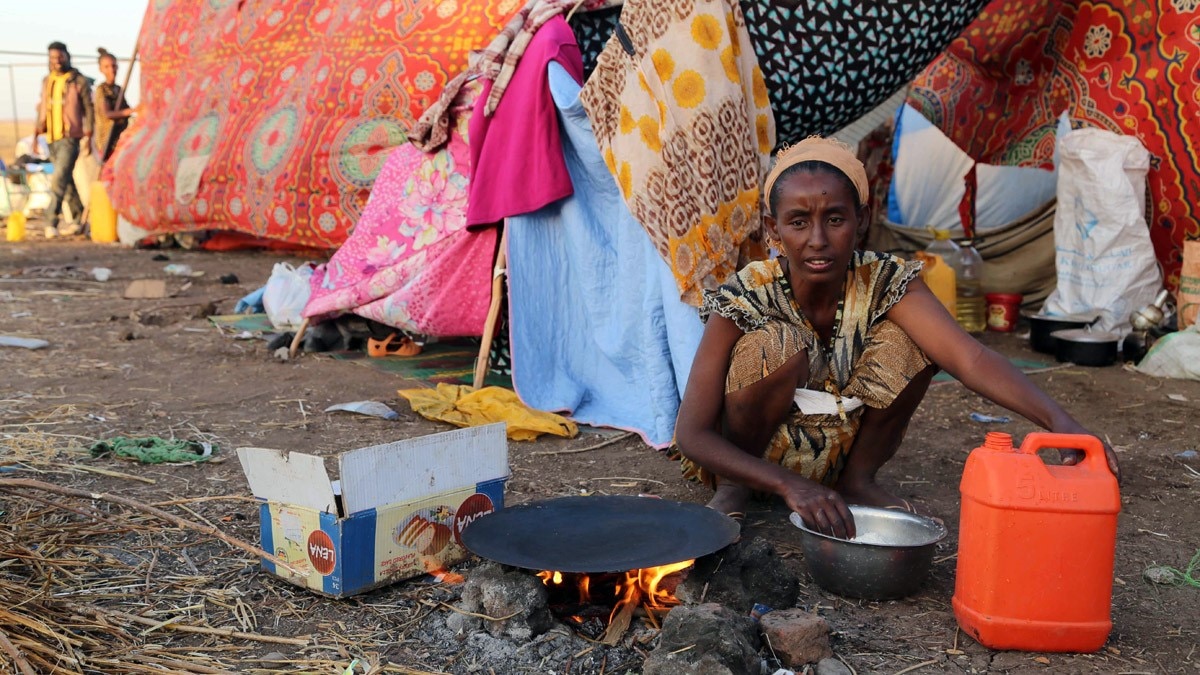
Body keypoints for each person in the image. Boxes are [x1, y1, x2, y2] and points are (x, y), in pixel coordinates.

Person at [674, 137, 1120, 540]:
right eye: (797, 222)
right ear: (773, 231)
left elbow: (970, 359)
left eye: (834, 219)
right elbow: (691, 433)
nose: (817, 240)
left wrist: (1063, 425)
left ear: (861, 220)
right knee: (776, 346)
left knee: (912, 341)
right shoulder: (748, 293)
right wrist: (787, 483)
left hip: (834, 454)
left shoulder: (885, 280)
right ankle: (737, 489)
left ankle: (857, 481)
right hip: (748, 461)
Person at [34, 41, 94, 238]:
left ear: (67, 56)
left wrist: (89, 133)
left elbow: (88, 109)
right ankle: (78, 220)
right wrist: (36, 135)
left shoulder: (78, 81)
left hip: (70, 137)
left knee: (58, 180)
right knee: (66, 181)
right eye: (53, 57)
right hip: (51, 137)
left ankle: (51, 221)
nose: (57, 61)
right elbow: (42, 107)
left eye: (60, 56)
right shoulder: (47, 80)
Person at [92, 48, 134, 163]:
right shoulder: (102, 90)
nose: (111, 70)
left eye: (114, 66)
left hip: (120, 138)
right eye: (107, 67)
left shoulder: (118, 89)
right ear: (101, 69)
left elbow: (126, 110)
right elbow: (108, 114)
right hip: (107, 140)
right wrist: (131, 111)